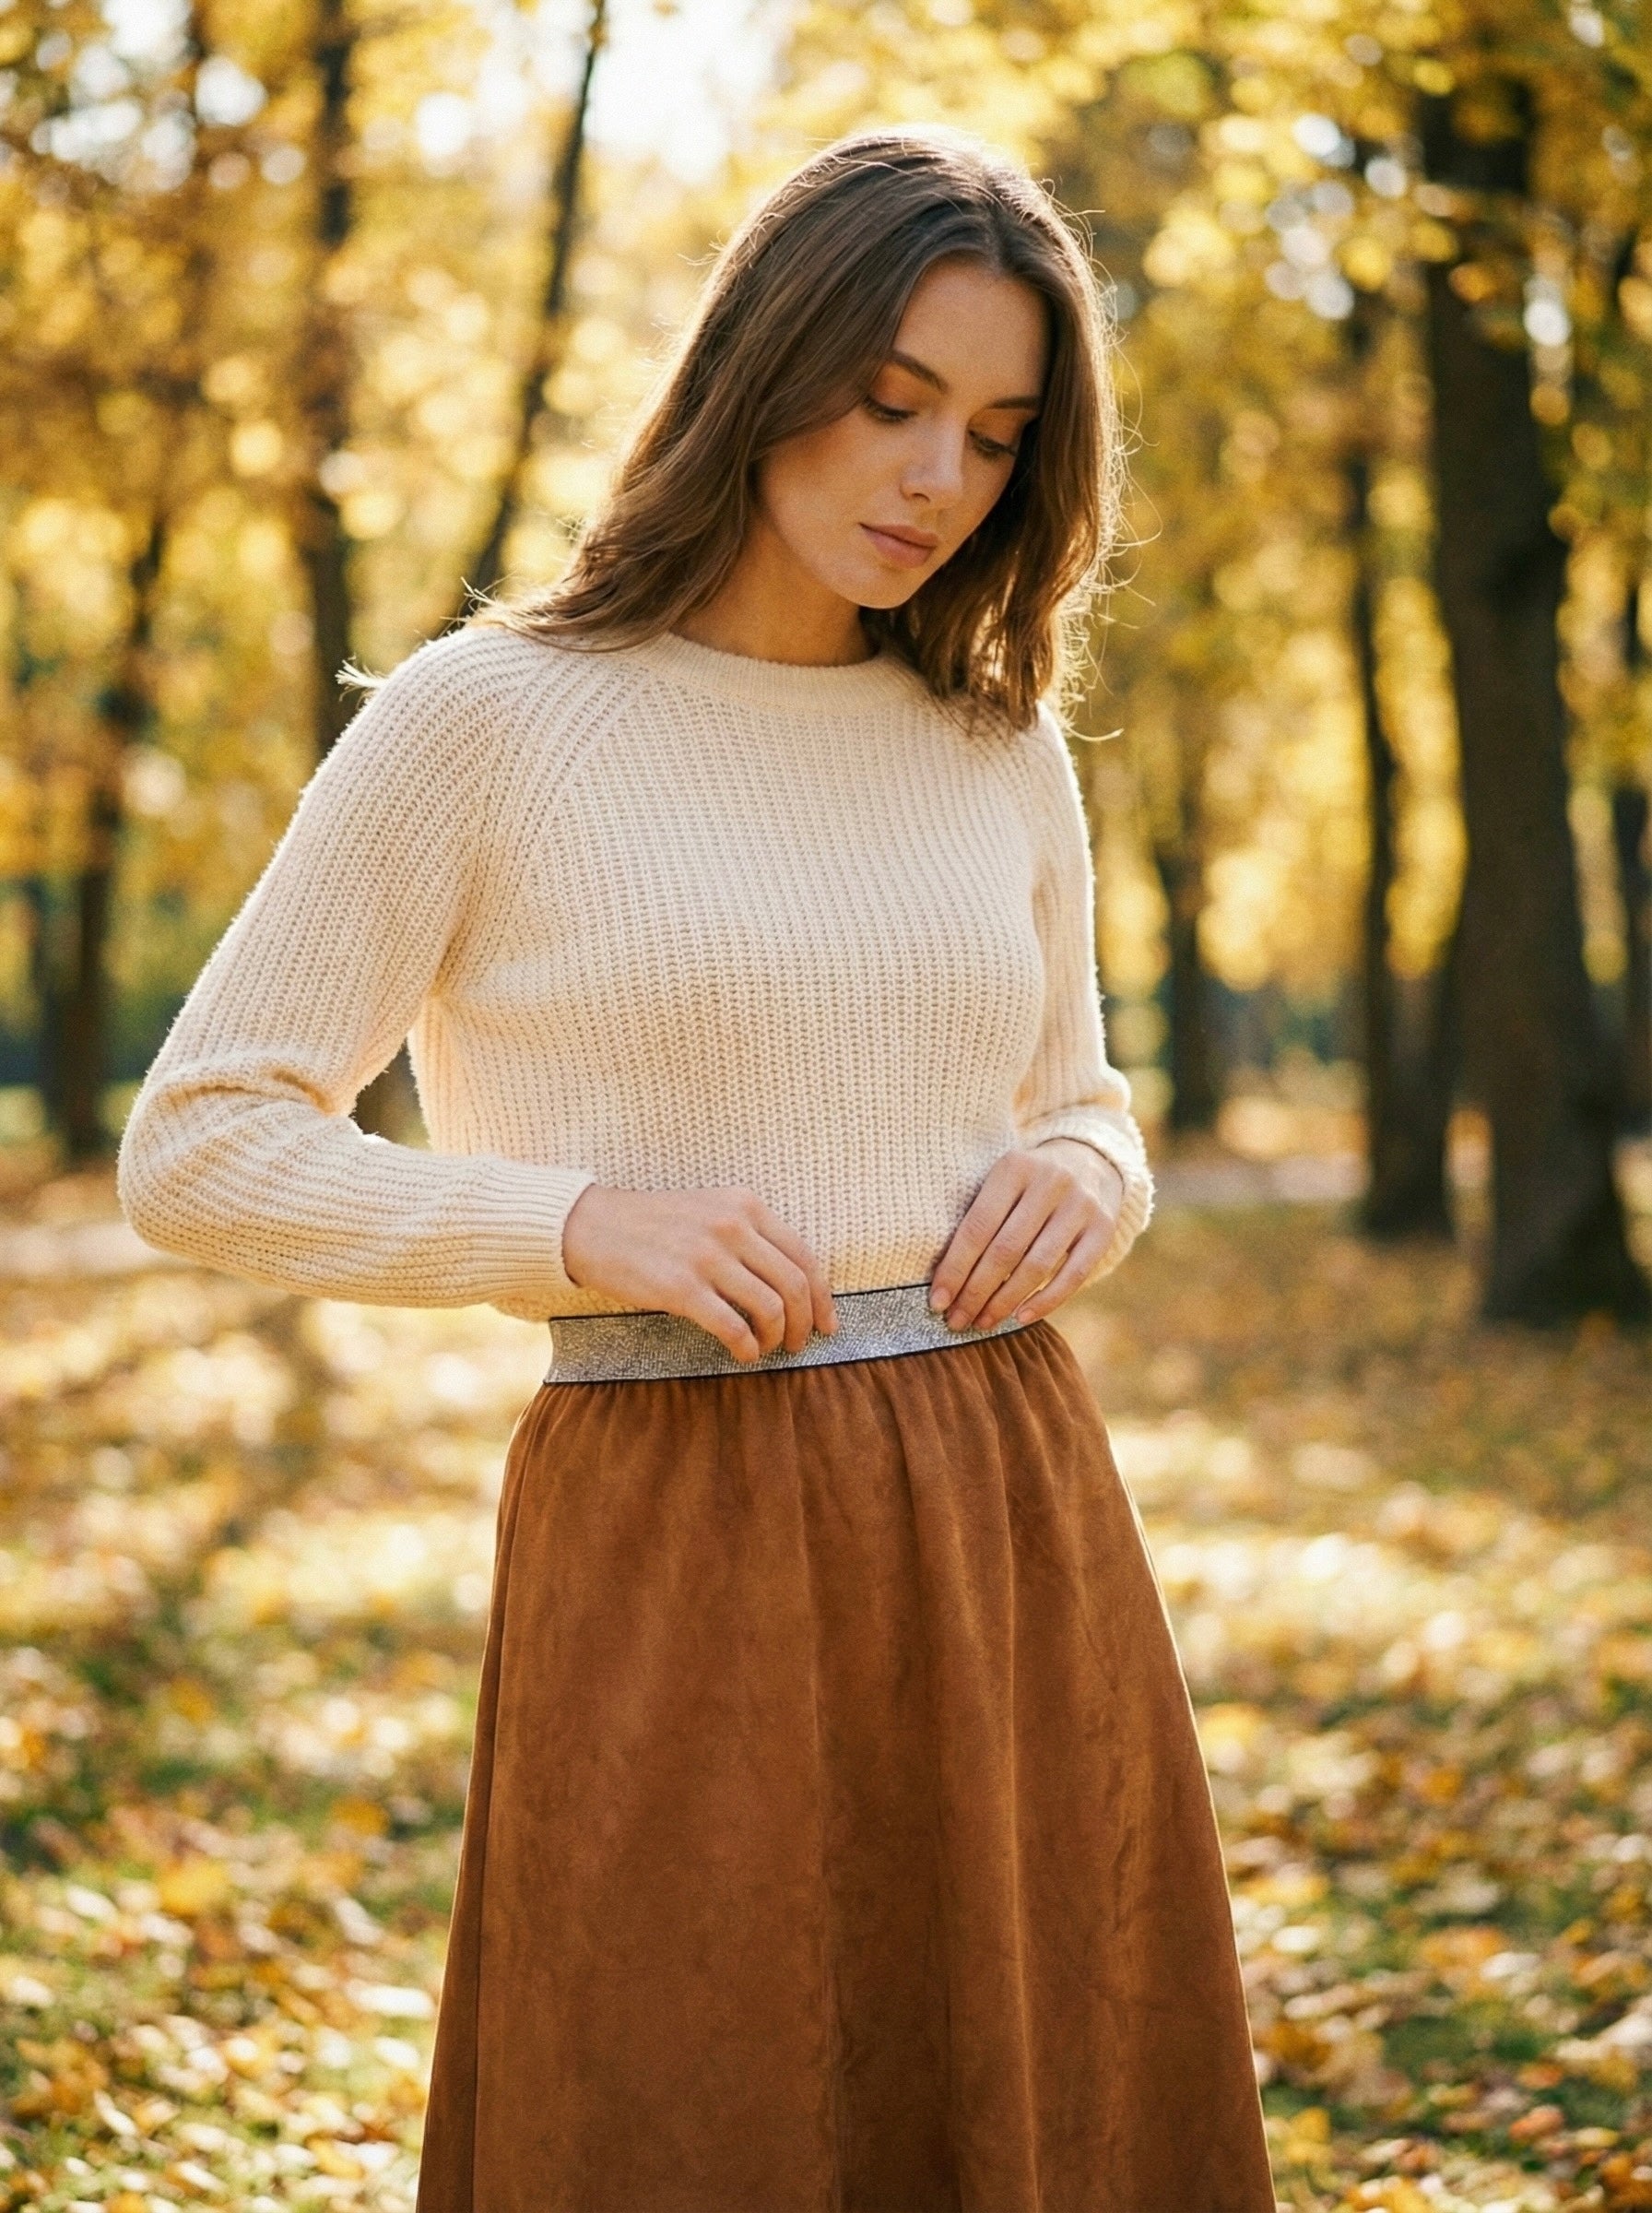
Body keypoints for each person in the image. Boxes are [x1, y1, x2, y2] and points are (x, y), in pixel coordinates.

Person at [117, 124, 1275, 2213]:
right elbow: (198, 1141)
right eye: (890, 400)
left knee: (1023, 2098)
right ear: (762, 368)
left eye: (997, 436)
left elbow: (1075, 1096)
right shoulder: (490, 717)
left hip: (1005, 1500)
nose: (935, 477)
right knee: (683, 2097)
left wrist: (1091, 1182)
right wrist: (559, 1224)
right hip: (672, 1507)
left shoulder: (990, 742)